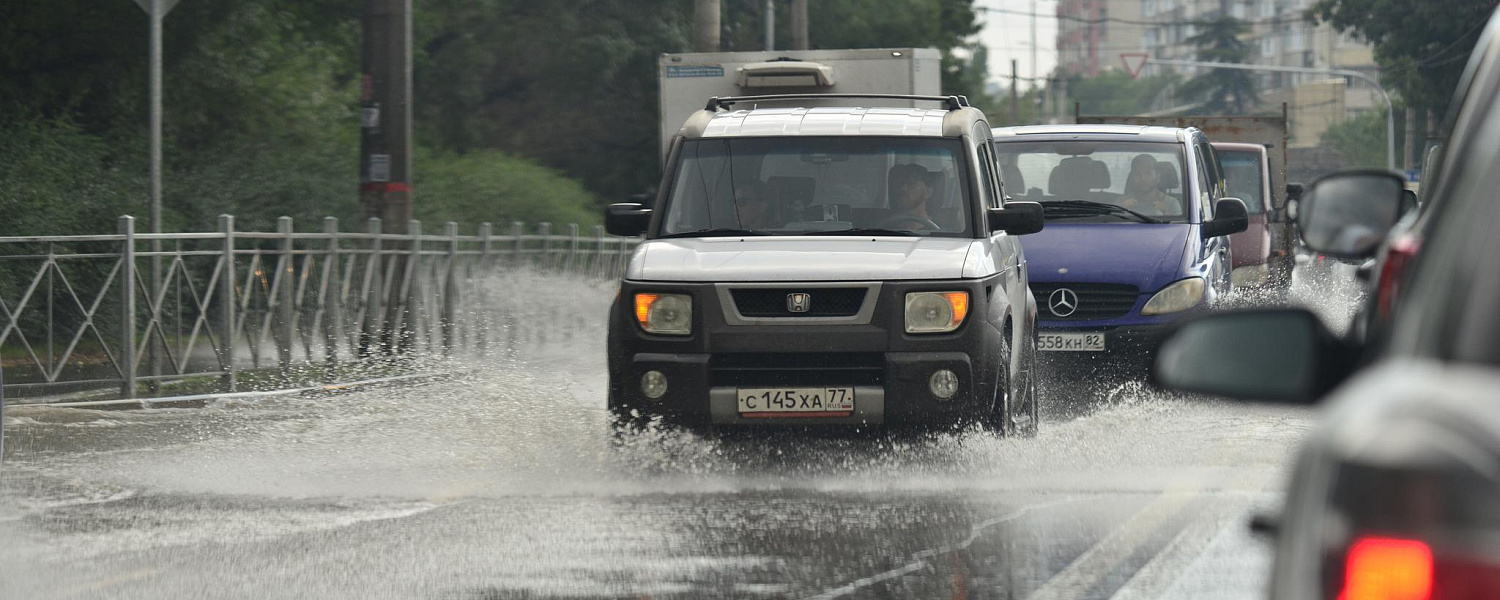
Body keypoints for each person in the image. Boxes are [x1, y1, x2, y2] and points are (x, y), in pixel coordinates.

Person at [885, 164, 941, 230]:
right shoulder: (879, 229)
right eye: (899, 184)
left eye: (911, 184)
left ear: (928, 192)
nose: (903, 189)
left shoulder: (944, 233)